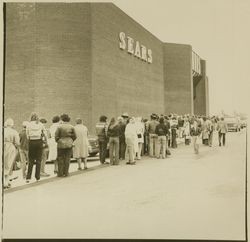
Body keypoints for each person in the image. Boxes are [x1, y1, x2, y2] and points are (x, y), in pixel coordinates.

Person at [26, 112, 46, 182]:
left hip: (32, 141)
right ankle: (37, 177)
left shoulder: (28, 124)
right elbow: (44, 133)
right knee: (38, 160)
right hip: (39, 141)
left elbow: (27, 135)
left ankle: (28, 177)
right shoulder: (40, 124)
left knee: (31, 160)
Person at [4, 118, 20, 188]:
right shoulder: (14, 132)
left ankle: (3, 181)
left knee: (3, 165)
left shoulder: (2, 130)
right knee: (8, 165)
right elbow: (17, 142)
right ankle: (6, 182)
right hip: (10, 148)